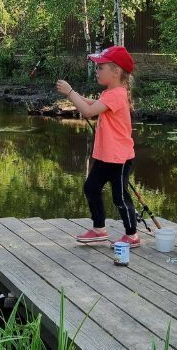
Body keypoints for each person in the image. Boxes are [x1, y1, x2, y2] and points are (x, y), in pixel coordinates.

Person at [55, 45, 140, 247]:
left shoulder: (117, 94)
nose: (97, 70)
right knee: (91, 187)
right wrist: (78, 97)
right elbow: (93, 105)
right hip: (105, 156)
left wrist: (70, 92)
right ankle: (99, 229)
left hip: (119, 158)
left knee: (120, 197)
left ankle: (132, 235)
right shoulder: (110, 93)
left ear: (116, 71)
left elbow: (88, 112)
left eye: (101, 67)